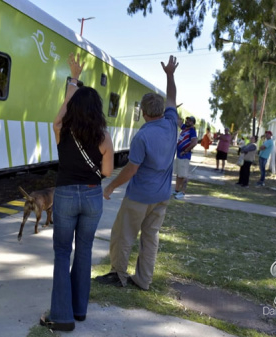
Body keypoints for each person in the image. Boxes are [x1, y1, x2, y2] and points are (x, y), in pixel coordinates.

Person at [40, 53, 114, 332]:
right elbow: (107, 173)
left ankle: (61, 316)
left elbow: (58, 117)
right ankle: (79, 309)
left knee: (62, 252)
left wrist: (73, 81)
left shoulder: (63, 130)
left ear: (73, 108)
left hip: (66, 195)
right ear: (97, 109)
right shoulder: (104, 137)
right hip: (93, 196)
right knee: (84, 250)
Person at [94, 55, 179, 291]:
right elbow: (172, 96)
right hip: (162, 196)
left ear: (143, 112)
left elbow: (131, 169)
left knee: (122, 235)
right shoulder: (172, 123)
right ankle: (143, 280)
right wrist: (170, 75)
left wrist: (111, 186)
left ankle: (118, 275)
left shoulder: (143, 136)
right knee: (150, 239)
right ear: (161, 110)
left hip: (140, 196)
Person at [173, 116, 197, 199]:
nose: (188, 122)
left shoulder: (192, 131)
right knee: (179, 174)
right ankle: (176, 190)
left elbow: (194, 142)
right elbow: (178, 121)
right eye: (187, 120)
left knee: (184, 175)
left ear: (193, 123)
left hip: (184, 156)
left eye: (190, 121)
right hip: (179, 154)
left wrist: (186, 150)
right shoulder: (184, 128)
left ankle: (182, 192)